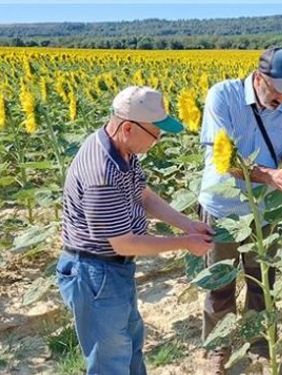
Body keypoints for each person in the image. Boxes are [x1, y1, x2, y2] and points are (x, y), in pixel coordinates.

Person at [56, 86, 214, 375]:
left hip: (112, 271)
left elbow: (142, 195)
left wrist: (188, 224)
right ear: (128, 127)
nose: (158, 140)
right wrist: (184, 242)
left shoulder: (122, 151)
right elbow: (124, 243)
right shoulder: (101, 172)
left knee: (129, 349)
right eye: (155, 133)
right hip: (95, 274)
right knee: (110, 362)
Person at [198, 47, 282, 372]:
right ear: (259, 78)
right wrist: (270, 175)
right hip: (224, 207)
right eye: (278, 91)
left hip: (264, 209)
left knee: (263, 283)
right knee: (220, 283)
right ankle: (219, 348)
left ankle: (259, 345)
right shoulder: (223, 97)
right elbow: (225, 159)